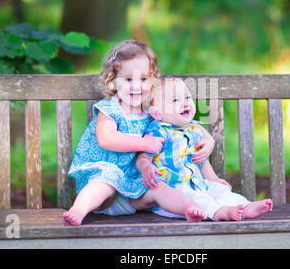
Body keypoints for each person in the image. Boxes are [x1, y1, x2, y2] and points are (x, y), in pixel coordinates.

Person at [63, 40, 206, 226]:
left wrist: (207, 143)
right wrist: (144, 143)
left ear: (153, 80)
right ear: (112, 81)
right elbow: (106, 139)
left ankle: (189, 208)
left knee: (158, 186)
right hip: (101, 191)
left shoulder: (152, 112)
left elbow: (189, 126)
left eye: (143, 79)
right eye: (128, 79)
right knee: (108, 175)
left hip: (130, 195)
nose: (136, 86)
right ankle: (78, 210)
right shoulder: (111, 109)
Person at [136, 77, 273, 221]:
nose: (185, 103)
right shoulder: (158, 133)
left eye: (187, 97)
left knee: (219, 190)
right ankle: (220, 213)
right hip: (173, 193)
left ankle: (245, 206)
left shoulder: (193, 129)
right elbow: (143, 158)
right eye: (175, 100)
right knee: (196, 198)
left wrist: (213, 179)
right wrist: (146, 168)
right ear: (157, 113)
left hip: (198, 184)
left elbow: (200, 160)